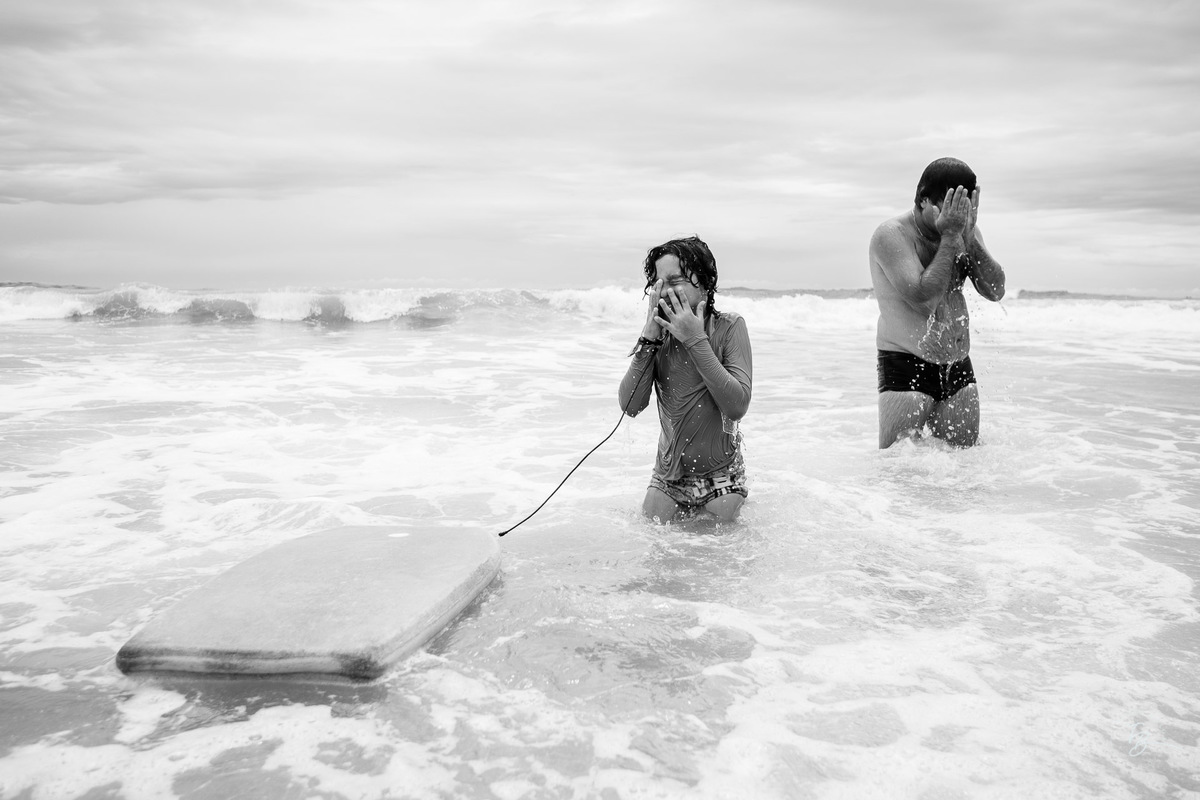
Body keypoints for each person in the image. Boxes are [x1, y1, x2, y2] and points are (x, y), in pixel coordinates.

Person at [869, 157, 1006, 448]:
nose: (955, 217)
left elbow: (996, 290)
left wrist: (968, 235)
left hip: (957, 365)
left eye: (963, 210)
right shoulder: (891, 235)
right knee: (898, 472)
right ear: (922, 200)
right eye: (949, 208)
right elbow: (923, 299)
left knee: (964, 471)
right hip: (906, 366)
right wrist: (952, 236)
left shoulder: (962, 231)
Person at [618, 236, 753, 522]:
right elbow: (630, 406)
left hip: (722, 477)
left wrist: (695, 339)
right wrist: (649, 336)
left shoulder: (729, 328)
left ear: (704, 283)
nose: (665, 290)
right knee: (654, 547)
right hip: (668, 479)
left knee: (718, 554)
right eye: (658, 282)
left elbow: (737, 405)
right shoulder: (657, 338)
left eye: (675, 279)